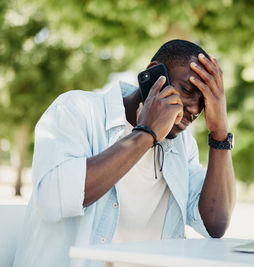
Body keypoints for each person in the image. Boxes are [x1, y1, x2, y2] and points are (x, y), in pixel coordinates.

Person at [13, 39, 236, 267]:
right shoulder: (76, 109)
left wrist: (220, 134)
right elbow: (53, 199)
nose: (195, 109)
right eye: (189, 90)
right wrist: (146, 133)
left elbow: (214, 225)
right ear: (154, 73)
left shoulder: (183, 145)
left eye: (204, 101)